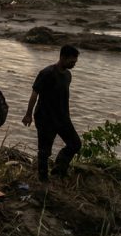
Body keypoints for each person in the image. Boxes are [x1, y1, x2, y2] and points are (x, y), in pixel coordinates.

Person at [22, 45, 81, 181]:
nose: (74, 64)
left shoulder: (67, 75)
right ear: (62, 57)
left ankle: (58, 170)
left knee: (75, 144)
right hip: (45, 119)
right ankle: (43, 180)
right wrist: (28, 114)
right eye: (72, 62)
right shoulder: (47, 73)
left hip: (63, 118)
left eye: (75, 62)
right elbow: (34, 93)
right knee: (44, 152)